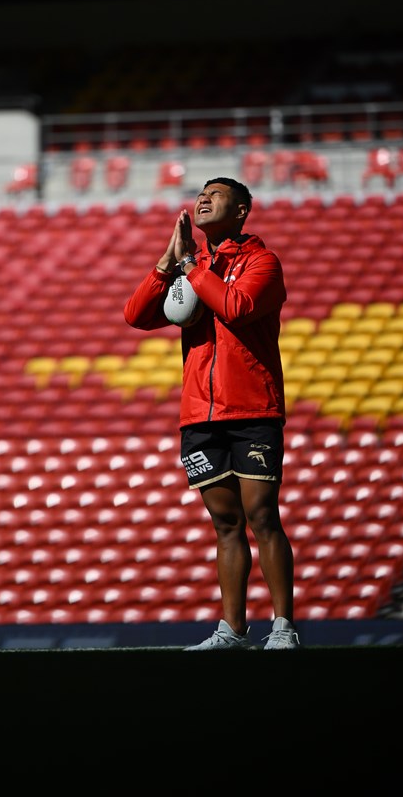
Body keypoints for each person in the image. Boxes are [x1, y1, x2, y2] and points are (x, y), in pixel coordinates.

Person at [124, 177, 300, 650]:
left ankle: (283, 627)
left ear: (242, 210)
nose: (203, 198)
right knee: (225, 524)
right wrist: (167, 264)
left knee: (262, 515)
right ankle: (233, 631)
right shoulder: (189, 267)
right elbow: (137, 315)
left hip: (253, 409)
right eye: (200, 193)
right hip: (199, 415)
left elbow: (237, 306)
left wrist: (190, 267)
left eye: (216, 194)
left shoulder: (262, 262)